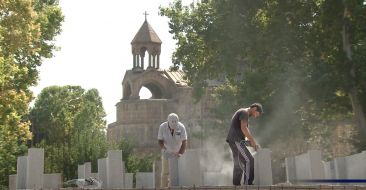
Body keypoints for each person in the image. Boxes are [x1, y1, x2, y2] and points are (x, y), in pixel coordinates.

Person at [226, 103, 263, 186]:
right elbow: (244, 128)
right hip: (236, 141)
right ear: (254, 108)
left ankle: (236, 185)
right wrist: (252, 141)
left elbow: (242, 134)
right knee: (249, 160)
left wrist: (251, 144)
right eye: (257, 114)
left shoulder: (243, 113)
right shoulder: (244, 112)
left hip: (236, 141)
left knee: (238, 164)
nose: (256, 116)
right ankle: (248, 184)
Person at [158, 113, 187, 187]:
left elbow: (184, 142)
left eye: (175, 123)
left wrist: (180, 153)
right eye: (172, 126)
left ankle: (175, 187)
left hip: (178, 152)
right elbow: (160, 141)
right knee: (165, 172)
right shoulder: (162, 127)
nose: (173, 127)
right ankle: (164, 187)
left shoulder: (181, 127)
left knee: (177, 172)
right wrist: (165, 149)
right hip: (167, 151)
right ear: (168, 122)